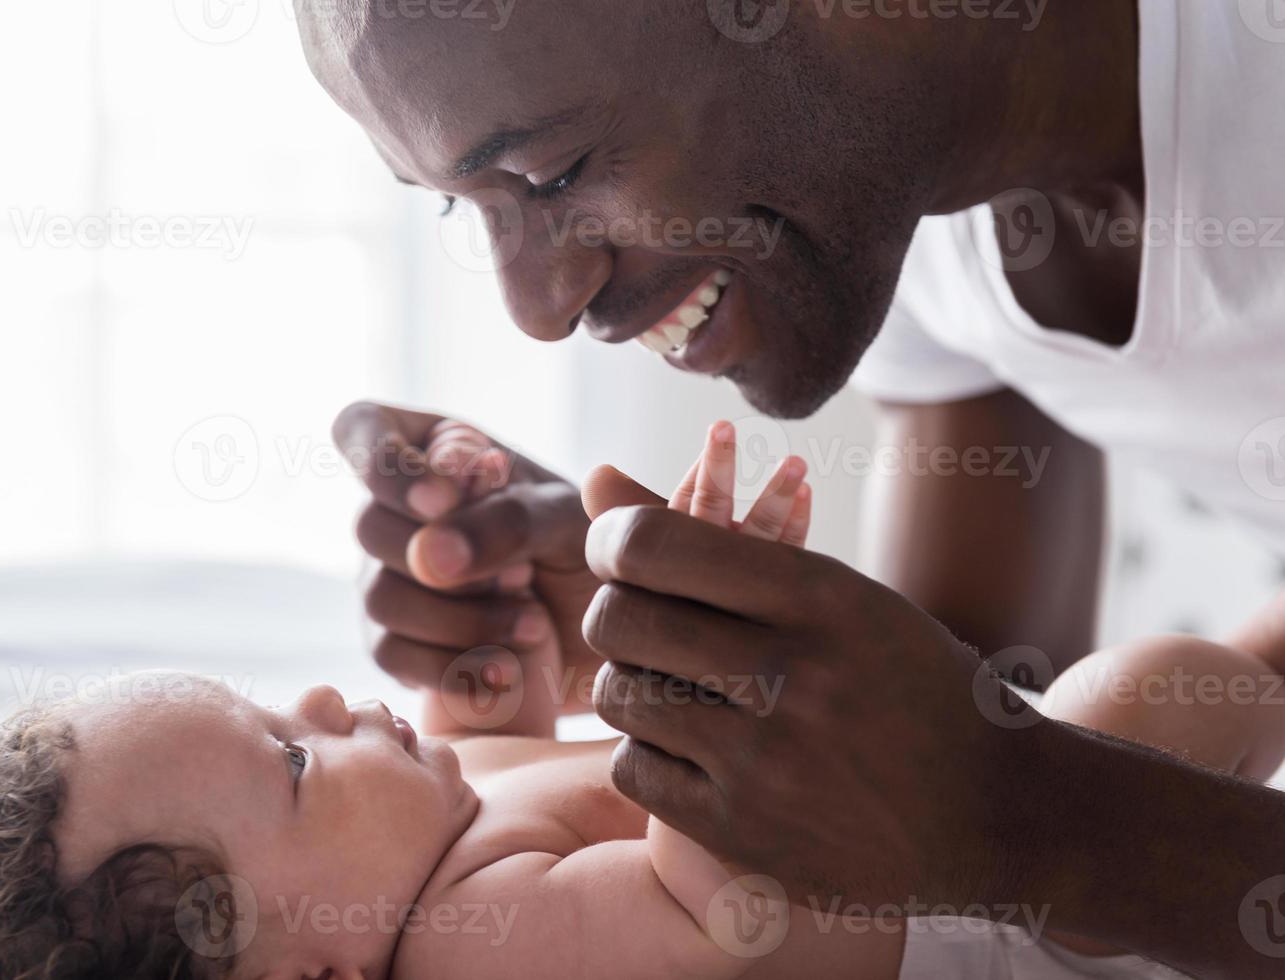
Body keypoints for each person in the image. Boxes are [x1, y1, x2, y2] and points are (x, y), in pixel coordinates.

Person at [300, 0, 1285, 974]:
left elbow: (1002, 801)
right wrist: (668, 651)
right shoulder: (896, 205)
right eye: (454, 203)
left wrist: (1011, 810)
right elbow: (967, 745)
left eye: (551, 173)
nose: (538, 308)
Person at [0, 425, 1283, 978]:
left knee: (1162, 693)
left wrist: (519, 693)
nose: (323, 695)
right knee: (1153, 694)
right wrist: (708, 664)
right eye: (291, 761)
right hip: (1029, 929)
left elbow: (570, 776)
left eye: (273, 702)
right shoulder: (469, 947)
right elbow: (714, 911)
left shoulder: (429, 838)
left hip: (972, 857)